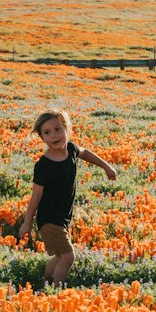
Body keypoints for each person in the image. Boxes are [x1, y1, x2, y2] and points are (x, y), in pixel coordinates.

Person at [17, 107, 116, 285]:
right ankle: (56, 291)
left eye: (58, 129)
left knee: (60, 255)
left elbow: (85, 153)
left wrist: (107, 167)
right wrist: (27, 222)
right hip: (49, 219)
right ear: (42, 138)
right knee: (68, 257)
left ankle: (44, 282)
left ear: (67, 128)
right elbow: (35, 196)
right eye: (47, 132)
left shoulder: (71, 149)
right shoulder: (44, 165)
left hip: (63, 217)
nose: (54, 136)